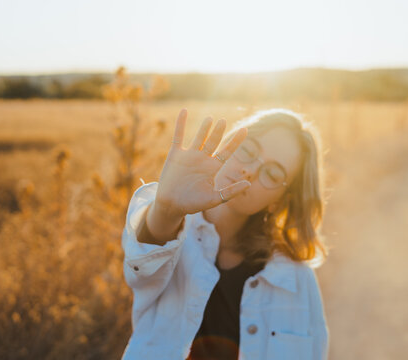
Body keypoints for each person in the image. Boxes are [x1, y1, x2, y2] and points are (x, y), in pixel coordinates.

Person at [121, 108, 330, 360]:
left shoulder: (296, 279)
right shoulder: (173, 232)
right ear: (231, 143)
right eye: (248, 150)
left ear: (280, 200)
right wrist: (165, 208)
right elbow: (140, 267)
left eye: (273, 174)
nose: (249, 170)